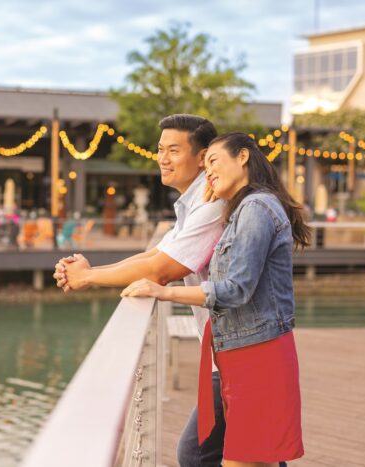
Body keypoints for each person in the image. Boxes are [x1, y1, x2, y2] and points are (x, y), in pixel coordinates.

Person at [122, 132, 310, 466]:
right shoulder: (243, 209)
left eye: (213, 162)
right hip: (240, 351)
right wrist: (212, 201)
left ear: (242, 157)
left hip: (257, 354)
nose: (208, 173)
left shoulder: (256, 208)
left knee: (238, 457)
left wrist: (165, 291)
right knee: (250, 457)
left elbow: (236, 288)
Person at [54, 114, 229, 466]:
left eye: (173, 150)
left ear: (202, 156)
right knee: (253, 451)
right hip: (224, 352)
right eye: (160, 149)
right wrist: (89, 272)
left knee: (198, 454)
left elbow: (161, 270)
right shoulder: (192, 204)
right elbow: (154, 255)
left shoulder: (212, 205)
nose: (162, 157)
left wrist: (87, 279)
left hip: (235, 352)